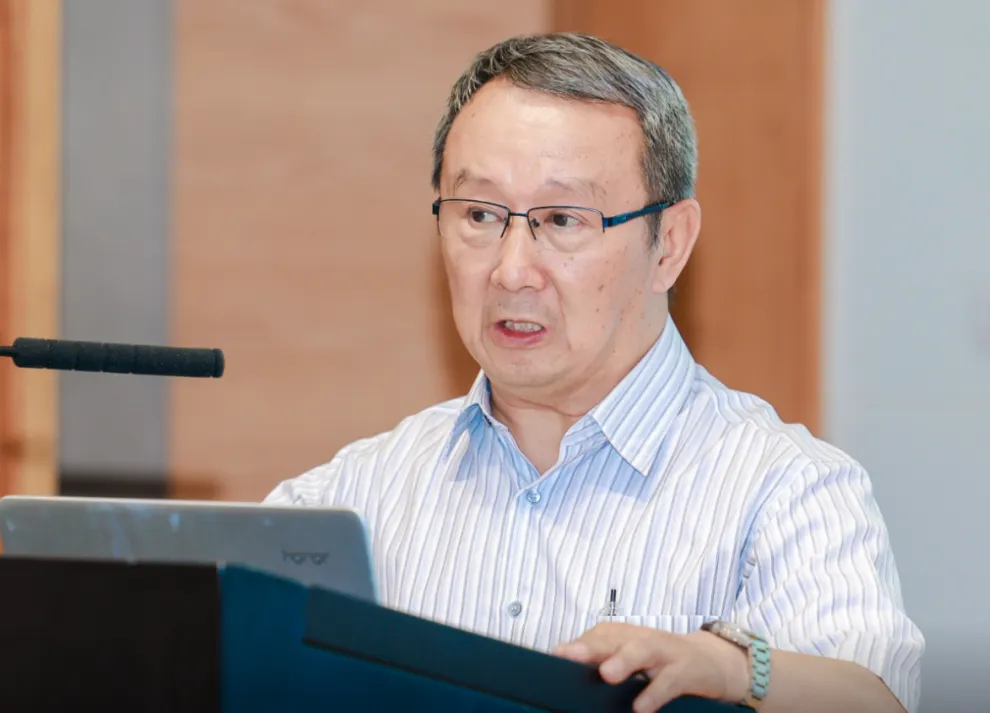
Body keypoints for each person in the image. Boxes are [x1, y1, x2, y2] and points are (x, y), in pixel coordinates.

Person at [264, 32, 924, 713]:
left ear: (669, 245)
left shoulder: (784, 491)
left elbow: (874, 698)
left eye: (561, 219)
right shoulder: (349, 501)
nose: (512, 270)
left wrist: (730, 669)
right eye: (481, 215)